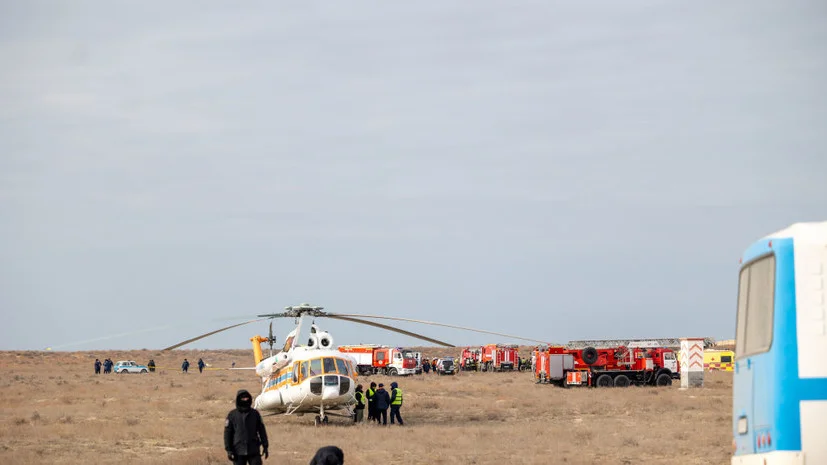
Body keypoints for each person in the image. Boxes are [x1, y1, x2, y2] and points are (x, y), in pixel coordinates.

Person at [224, 389, 269, 465]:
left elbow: (262, 430)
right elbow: (228, 433)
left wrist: (265, 446)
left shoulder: (255, 414)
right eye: (243, 398)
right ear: (238, 399)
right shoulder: (232, 415)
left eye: (246, 398)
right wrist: (229, 450)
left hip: (253, 449)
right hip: (238, 451)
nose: (245, 400)